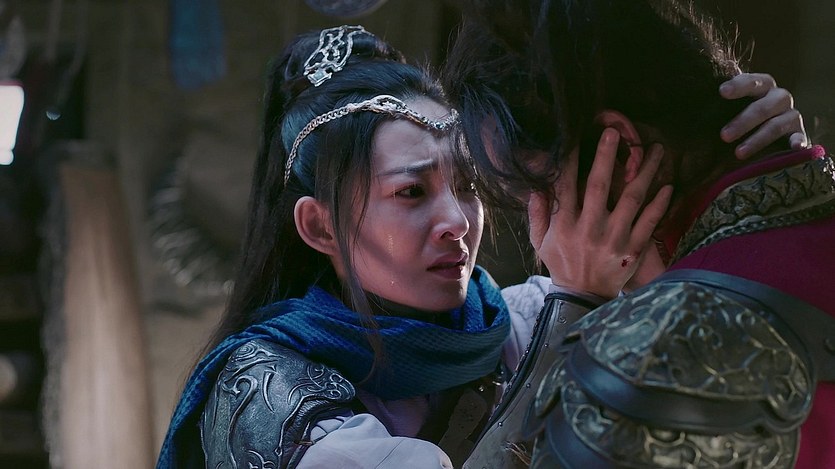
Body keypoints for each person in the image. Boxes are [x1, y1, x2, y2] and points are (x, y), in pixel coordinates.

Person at [154, 24, 811, 469]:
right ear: (320, 227)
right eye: (411, 192)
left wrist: (751, 153)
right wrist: (578, 305)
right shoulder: (269, 393)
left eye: (466, 185)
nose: (457, 221)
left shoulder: (525, 320)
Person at [443, 1, 834, 468]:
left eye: (534, 189)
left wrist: (576, 300)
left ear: (622, 153)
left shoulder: (651, 360)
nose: (540, 232)